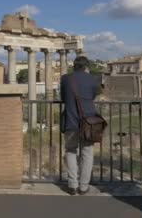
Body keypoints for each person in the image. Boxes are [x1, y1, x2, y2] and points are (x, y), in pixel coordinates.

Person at [60, 56, 100, 195]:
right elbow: (94, 95)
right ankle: (84, 186)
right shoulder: (93, 79)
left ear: (74, 66)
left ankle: (72, 185)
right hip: (89, 122)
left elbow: (63, 98)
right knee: (87, 153)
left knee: (70, 151)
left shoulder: (65, 78)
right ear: (86, 67)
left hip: (70, 120)